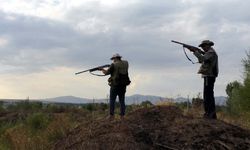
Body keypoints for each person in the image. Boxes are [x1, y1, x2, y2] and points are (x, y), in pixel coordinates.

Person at [189, 40, 219, 119]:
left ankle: (209, 114)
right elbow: (203, 60)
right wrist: (197, 52)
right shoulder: (209, 53)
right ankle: (211, 114)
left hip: (209, 76)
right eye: (202, 46)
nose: (202, 47)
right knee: (208, 95)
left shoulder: (210, 53)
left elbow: (202, 59)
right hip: (209, 76)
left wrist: (195, 52)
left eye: (203, 46)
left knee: (207, 95)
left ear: (208, 45)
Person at [99, 53, 130, 120]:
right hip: (123, 85)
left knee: (112, 100)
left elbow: (106, 73)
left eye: (113, 59)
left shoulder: (113, 65)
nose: (112, 60)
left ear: (115, 58)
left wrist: (102, 69)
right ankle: (122, 116)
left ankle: (111, 116)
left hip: (115, 85)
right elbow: (119, 69)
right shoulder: (126, 63)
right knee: (122, 101)